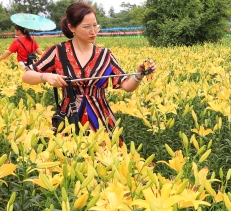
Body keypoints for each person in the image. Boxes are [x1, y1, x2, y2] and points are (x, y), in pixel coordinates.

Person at [20, 2, 156, 137]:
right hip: (69, 121)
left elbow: (127, 85)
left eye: (95, 25)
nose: (93, 31)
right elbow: (27, 75)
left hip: (101, 120)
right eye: (86, 27)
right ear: (71, 27)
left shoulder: (105, 55)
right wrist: (46, 77)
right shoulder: (58, 51)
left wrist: (139, 74)